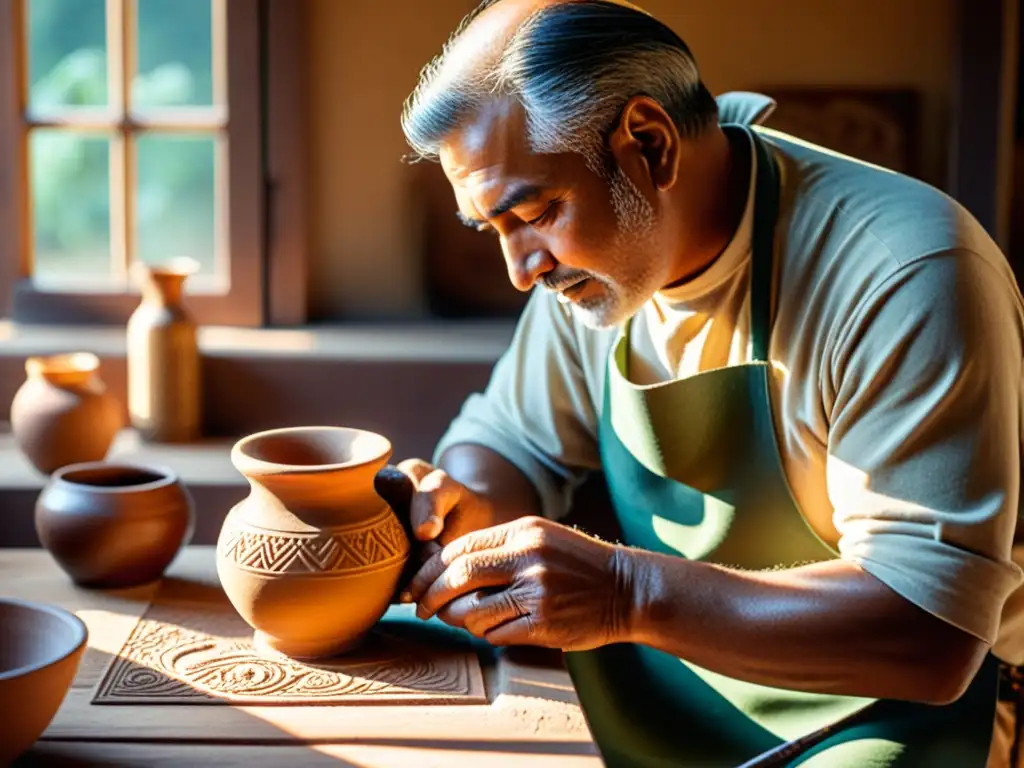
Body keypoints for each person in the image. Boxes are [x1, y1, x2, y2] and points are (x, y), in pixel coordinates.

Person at [377, 0, 1024, 764]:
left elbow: (931, 637)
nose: (522, 271)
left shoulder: (904, 273)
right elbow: (514, 442)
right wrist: (457, 512)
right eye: (494, 229)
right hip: (668, 673)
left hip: (889, 708)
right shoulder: (599, 264)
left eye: (540, 212)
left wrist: (627, 593)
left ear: (648, 145)